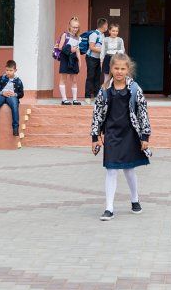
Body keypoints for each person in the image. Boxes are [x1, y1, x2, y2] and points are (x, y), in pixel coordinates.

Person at [90, 54, 151, 221]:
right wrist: (95, 136)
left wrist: (145, 136)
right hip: (111, 134)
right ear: (111, 69)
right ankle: (109, 207)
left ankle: (135, 199)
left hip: (130, 133)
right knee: (111, 170)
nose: (119, 71)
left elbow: (143, 113)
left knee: (129, 169)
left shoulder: (135, 89)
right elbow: (97, 114)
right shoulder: (104, 90)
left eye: (123, 68)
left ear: (128, 70)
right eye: (116, 68)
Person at [0, 60, 24, 138]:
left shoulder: (18, 81)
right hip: (1, 95)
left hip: (12, 96)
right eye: (7, 70)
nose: (8, 72)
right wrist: (2, 93)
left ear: (15, 70)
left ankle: (15, 128)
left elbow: (21, 94)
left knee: (14, 106)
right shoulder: (1, 78)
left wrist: (15, 94)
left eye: (11, 70)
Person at [54, 17, 83, 105]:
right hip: (65, 58)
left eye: (77, 27)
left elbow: (77, 50)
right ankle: (64, 99)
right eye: (73, 27)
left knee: (74, 80)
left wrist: (80, 61)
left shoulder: (78, 38)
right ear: (69, 26)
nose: (75, 29)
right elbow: (60, 47)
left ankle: (74, 99)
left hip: (73, 59)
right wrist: (70, 49)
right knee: (63, 78)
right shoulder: (65, 35)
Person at [83, 16, 108, 103]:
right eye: (106, 25)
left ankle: (96, 96)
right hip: (91, 58)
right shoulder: (94, 34)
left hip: (98, 59)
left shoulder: (102, 35)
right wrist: (104, 50)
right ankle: (87, 96)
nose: (107, 27)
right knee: (90, 77)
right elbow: (92, 47)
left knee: (97, 77)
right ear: (103, 25)